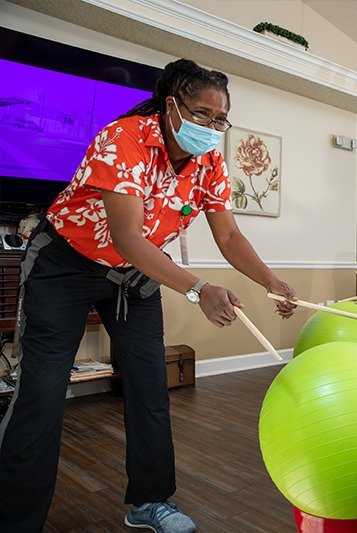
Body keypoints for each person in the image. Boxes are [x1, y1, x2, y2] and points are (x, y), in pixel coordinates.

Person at [0, 59, 297, 533]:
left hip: (132, 278)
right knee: (42, 391)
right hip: (67, 263)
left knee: (149, 386)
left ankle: (149, 502)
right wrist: (198, 288)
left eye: (221, 119)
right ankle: (14, 519)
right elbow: (128, 238)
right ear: (171, 106)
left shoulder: (210, 162)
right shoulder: (124, 140)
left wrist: (271, 281)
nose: (212, 127)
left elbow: (230, 237)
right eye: (202, 114)